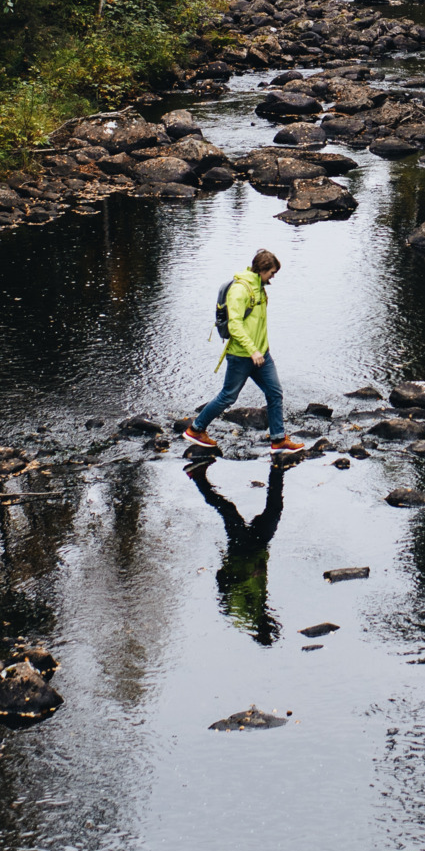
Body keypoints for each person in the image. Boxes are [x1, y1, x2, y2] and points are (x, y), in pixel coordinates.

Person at [184, 248, 305, 453]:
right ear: (262, 270)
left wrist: (261, 350)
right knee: (228, 397)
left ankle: (278, 439)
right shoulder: (240, 290)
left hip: (261, 354)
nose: (273, 277)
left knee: (275, 393)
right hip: (242, 355)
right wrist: (252, 350)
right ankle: (196, 429)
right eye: (272, 273)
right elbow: (235, 326)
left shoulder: (259, 287)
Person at [188, 456, 286, 643]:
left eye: (272, 622)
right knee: (274, 510)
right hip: (258, 550)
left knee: (228, 511)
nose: (274, 616)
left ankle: (197, 476)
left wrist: (251, 575)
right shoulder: (257, 613)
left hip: (240, 553)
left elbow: (233, 586)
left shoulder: (241, 616)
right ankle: (278, 468)